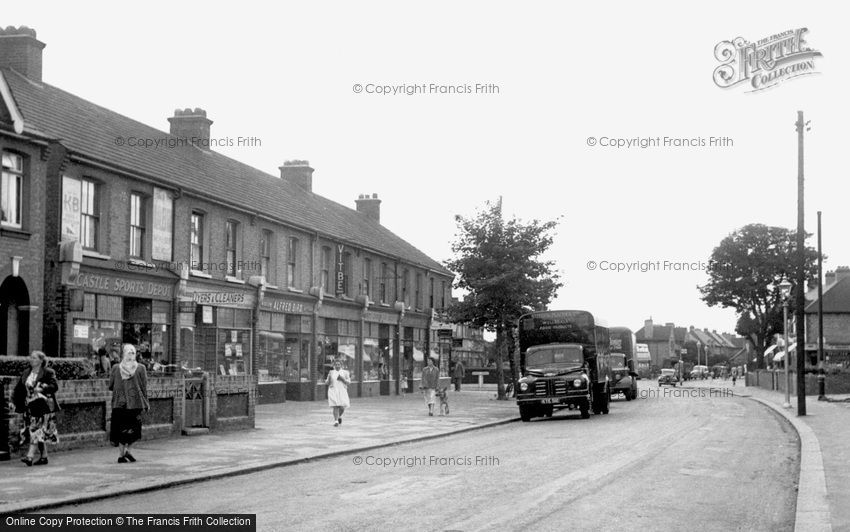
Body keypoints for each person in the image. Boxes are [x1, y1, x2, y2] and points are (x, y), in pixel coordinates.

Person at [12, 351, 60, 466]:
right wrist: (13, 401)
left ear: (40, 360)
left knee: (35, 430)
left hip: (43, 405)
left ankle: (29, 456)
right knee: (38, 432)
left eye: (34, 358)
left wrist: (43, 389)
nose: (31, 360)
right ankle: (44, 457)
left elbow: (54, 386)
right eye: (31, 358)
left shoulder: (48, 372)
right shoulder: (26, 372)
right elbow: (19, 389)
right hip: (30, 405)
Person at [108, 344, 150, 463]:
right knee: (135, 429)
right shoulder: (141, 368)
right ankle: (129, 451)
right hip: (135, 403)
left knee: (121, 429)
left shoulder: (116, 368)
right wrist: (146, 402)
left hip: (119, 404)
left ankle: (121, 455)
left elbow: (111, 386)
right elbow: (144, 387)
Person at [325, 359, 350, 427]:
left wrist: (343, 379)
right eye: (336, 364)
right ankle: (336, 421)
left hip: (342, 391)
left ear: (341, 365)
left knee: (342, 407)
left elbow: (348, 382)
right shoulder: (331, 372)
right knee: (335, 406)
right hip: (333, 390)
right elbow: (327, 383)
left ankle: (339, 417)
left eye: (339, 364)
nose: (337, 366)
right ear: (334, 365)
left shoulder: (345, 372)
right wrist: (329, 378)